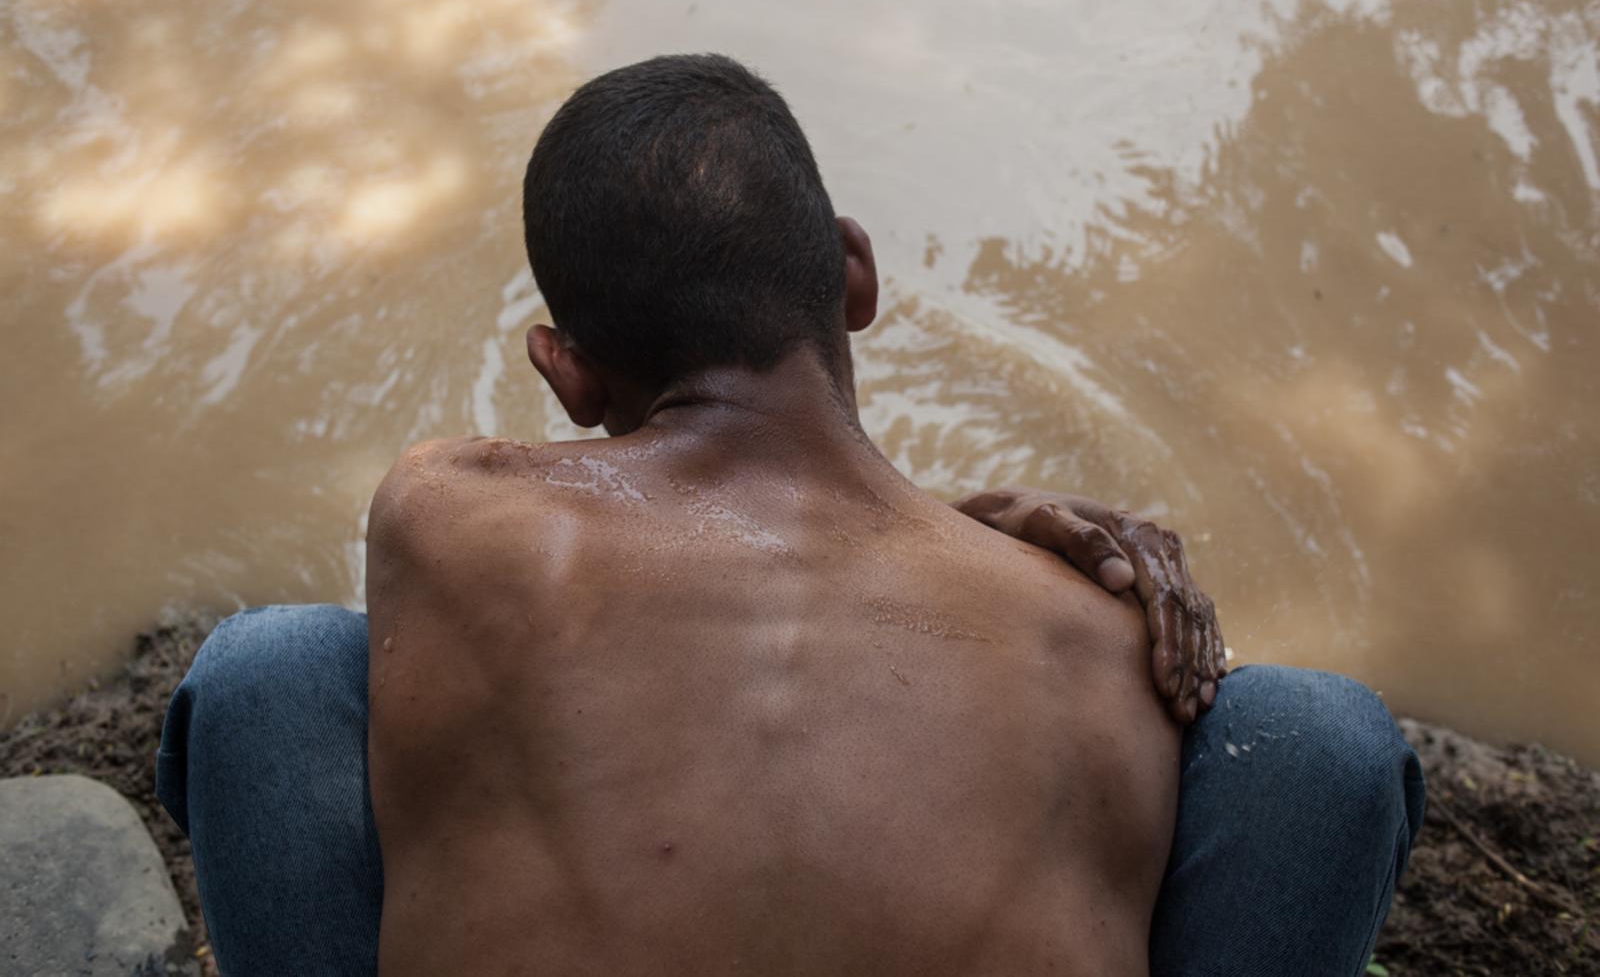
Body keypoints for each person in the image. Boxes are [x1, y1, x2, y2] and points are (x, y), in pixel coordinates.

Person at [157, 55, 1424, 976]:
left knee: (271, 667)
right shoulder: (1089, 642)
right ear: (854, 273)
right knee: (1311, 734)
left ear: (567, 371)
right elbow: (823, 546)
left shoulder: (447, 513)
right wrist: (973, 528)